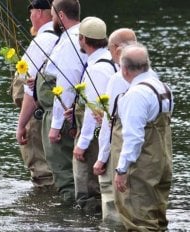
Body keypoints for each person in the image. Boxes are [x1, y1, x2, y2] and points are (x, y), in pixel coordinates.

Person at [112, 43, 173, 231]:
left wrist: (121, 170)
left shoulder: (136, 94)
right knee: (158, 217)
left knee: (139, 221)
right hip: (161, 162)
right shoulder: (163, 88)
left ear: (124, 69)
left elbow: (134, 138)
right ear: (147, 65)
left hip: (141, 167)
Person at [35, 0, 87, 204]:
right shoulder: (82, 37)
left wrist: (56, 126)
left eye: (54, 15)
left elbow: (65, 86)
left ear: (62, 16)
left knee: (64, 173)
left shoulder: (69, 42)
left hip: (64, 116)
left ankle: (70, 218)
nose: (52, 19)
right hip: (75, 114)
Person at [71, 16, 116, 213]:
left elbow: (92, 111)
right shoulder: (111, 62)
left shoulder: (96, 69)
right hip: (106, 134)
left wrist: (82, 144)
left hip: (95, 138)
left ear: (83, 39)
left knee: (87, 191)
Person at [93, 28, 137, 223]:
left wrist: (101, 158)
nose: (110, 56)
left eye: (110, 50)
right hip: (142, 152)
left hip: (120, 151)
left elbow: (109, 124)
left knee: (112, 205)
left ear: (118, 50)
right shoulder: (151, 75)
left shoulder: (119, 78)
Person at [15, 0, 57, 188]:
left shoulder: (42, 40)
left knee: (41, 170)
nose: (29, 17)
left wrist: (21, 124)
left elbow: (29, 88)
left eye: (31, 12)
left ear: (39, 12)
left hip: (38, 114)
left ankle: (43, 211)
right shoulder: (63, 37)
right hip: (56, 114)